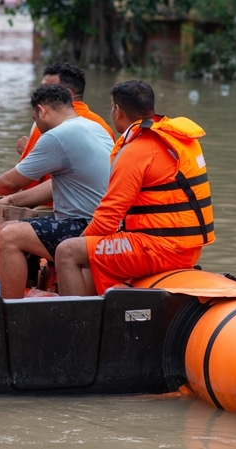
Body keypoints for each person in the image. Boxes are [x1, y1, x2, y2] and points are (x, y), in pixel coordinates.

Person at [54, 80, 215, 296]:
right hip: (189, 248)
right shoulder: (180, 139)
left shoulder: (136, 150)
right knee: (94, 248)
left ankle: (76, 325)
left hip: (161, 248)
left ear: (118, 110)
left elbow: (108, 217)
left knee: (67, 252)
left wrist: (81, 240)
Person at [0, 84, 113, 298]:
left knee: (6, 234)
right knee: (16, 228)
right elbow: (53, 186)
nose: (36, 125)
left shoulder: (57, 136)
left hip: (85, 227)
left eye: (34, 118)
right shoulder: (94, 128)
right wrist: (12, 200)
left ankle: (7, 310)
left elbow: (11, 181)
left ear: (41, 110)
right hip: (107, 224)